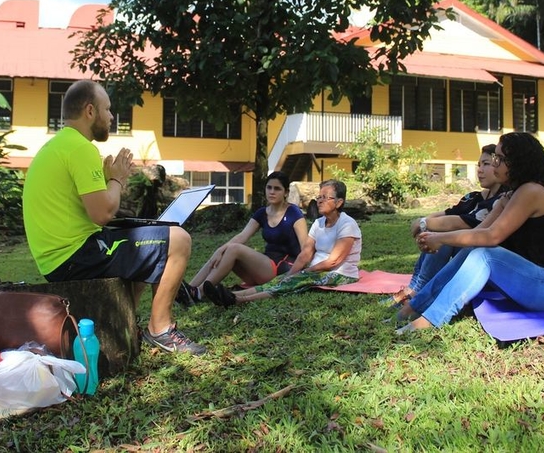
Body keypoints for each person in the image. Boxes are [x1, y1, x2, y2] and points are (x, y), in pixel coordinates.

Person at [22, 80, 205, 354]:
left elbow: (92, 209)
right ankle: (161, 330)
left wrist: (109, 181)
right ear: (90, 111)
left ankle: (123, 328)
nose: (111, 117)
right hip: (74, 256)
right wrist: (117, 179)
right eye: (107, 109)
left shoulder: (59, 145)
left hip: (61, 256)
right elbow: (103, 213)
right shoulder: (80, 149)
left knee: (146, 243)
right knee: (178, 239)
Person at [397, 132, 544, 333]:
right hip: (542, 282)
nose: (494, 163)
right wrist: (437, 238)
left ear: (517, 163)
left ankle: (431, 320)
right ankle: (413, 307)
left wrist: (439, 238)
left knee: (485, 255)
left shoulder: (532, 191)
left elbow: (492, 237)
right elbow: (479, 233)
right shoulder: (510, 196)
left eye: (499, 159)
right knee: (473, 250)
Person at [203, 180, 362, 307]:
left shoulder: (347, 224)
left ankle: (237, 300)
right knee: (282, 280)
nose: (319, 201)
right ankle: (229, 295)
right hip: (316, 269)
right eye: (319, 197)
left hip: (341, 273)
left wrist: (305, 272)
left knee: (296, 282)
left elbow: (333, 261)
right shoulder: (318, 223)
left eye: (325, 197)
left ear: (339, 202)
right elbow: (305, 254)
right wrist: (290, 273)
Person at [384, 145, 506, 309]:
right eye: (479, 165)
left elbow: (461, 222)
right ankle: (413, 288)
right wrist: (425, 220)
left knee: (444, 233)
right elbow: (448, 213)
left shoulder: (501, 200)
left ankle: (417, 292)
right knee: (436, 231)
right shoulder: (475, 197)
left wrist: (424, 223)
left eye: (486, 164)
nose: (480, 170)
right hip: (468, 252)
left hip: (484, 260)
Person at [181, 171, 309, 304]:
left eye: (277, 189)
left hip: (282, 269)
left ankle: (199, 292)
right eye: (269, 187)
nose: (272, 192)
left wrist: (298, 273)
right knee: (225, 250)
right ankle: (189, 289)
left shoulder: (294, 212)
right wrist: (219, 250)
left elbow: (306, 248)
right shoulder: (262, 213)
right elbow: (242, 236)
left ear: (286, 192)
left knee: (234, 249)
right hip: (264, 267)